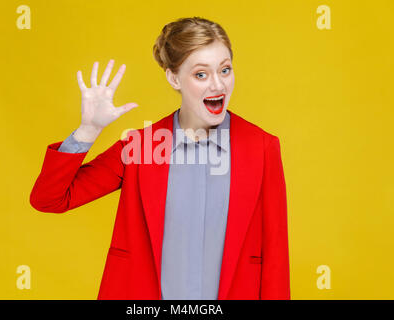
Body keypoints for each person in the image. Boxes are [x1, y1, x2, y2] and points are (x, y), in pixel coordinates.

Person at [30, 17, 290, 300]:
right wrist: (88, 130)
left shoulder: (262, 147)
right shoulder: (140, 147)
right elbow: (50, 199)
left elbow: (275, 252)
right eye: (201, 74)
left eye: (225, 70)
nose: (218, 85)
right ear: (173, 78)